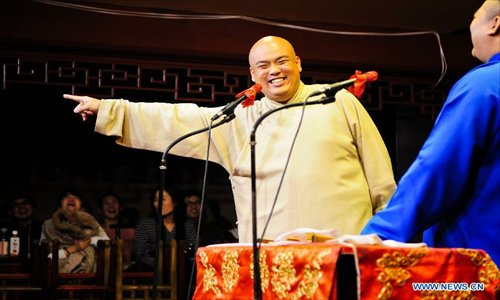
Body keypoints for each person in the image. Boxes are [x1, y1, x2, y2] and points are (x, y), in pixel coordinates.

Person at [64, 35, 396, 243]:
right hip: (272, 251)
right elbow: (180, 119)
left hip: (346, 244)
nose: (274, 70)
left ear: (297, 63)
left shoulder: (337, 100)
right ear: (253, 75)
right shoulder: (242, 118)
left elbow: (379, 172)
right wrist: (109, 110)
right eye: (263, 65)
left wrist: (389, 229)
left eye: (282, 61)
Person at [362, 0, 500, 264]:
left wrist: (379, 233)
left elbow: (439, 167)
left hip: (480, 269)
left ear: (495, 24)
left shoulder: (484, 85)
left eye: (475, 16)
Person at [40, 190, 109, 273]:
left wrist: (89, 241)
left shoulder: (90, 223)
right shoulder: (48, 226)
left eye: (75, 197)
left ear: (82, 209)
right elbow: (46, 257)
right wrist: (73, 249)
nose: (71, 198)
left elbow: (108, 244)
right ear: (59, 208)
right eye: (66, 197)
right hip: (58, 272)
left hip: (89, 273)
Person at [133, 187, 185, 271]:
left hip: (183, 272)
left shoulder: (187, 225)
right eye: (156, 200)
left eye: (163, 199)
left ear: (175, 202)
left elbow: (195, 254)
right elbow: (141, 255)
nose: (159, 204)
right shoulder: (145, 225)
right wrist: (164, 266)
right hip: (152, 273)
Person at [97, 192, 138, 270]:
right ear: (100, 209)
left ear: (121, 207)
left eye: (114, 202)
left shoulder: (131, 231)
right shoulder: (95, 231)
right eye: (106, 203)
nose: (111, 206)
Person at [4, 195, 42, 266]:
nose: (21, 207)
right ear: (10, 212)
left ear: (34, 208)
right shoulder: (5, 229)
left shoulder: (43, 227)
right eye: (16, 205)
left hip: (39, 269)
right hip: (12, 268)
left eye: (25, 203)